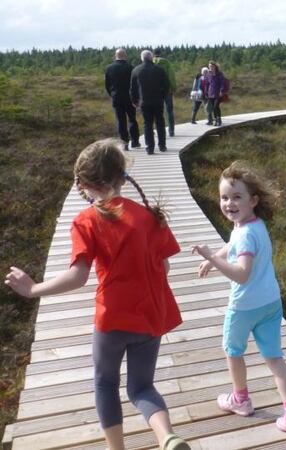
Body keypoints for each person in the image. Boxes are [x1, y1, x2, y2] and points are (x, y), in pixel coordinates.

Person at [5, 139, 189, 450]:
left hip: (112, 319)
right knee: (142, 387)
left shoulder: (86, 221)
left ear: (83, 184)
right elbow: (165, 268)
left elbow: (78, 276)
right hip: (149, 318)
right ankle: (167, 437)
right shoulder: (149, 216)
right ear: (121, 177)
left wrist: (34, 289)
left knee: (105, 384)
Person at [191, 161, 286, 437]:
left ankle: (241, 399)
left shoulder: (244, 233)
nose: (229, 203)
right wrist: (217, 257)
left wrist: (210, 257)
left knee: (233, 351)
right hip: (270, 303)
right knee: (274, 358)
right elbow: (233, 243)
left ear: (253, 200)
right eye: (224, 197)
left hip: (244, 307)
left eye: (236, 197)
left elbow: (241, 275)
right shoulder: (253, 224)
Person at [131, 50, 169, 154]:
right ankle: (162, 146)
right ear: (151, 57)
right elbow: (166, 85)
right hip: (158, 101)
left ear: (142, 58)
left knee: (147, 124)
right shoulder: (160, 70)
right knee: (160, 123)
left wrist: (134, 100)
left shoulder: (136, 70)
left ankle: (150, 148)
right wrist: (162, 96)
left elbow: (133, 88)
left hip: (144, 102)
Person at [104, 49, 140, 151]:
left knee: (120, 121)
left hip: (116, 98)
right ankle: (135, 142)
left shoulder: (109, 68)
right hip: (129, 98)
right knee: (132, 119)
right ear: (125, 56)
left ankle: (124, 143)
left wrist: (112, 94)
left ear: (116, 56)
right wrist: (136, 98)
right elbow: (135, 85)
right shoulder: (131, 68)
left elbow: (107, 85)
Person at [153, 49, 177, 137]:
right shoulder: (166, 63)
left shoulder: (151, 63)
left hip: (155, 91)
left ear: (153, 54)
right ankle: (171, 131)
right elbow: (171, 76)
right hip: (167, 90)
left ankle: (157, 130)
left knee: (156, 112)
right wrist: (173, 88)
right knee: (169, 111)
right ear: (161, 54)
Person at [204, 60, 225, 126]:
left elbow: (222, 83)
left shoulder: (219, 74)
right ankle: (216, 120)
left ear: (215, 67)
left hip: (218, 93)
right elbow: (207, 84)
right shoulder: (208, 74)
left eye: (212, 66)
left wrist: (221, 91)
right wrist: (206, 92)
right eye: (209, 66)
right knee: (213, 107)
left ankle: (219, 120)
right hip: (210, 93)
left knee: (216, 106)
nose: (211, 68)